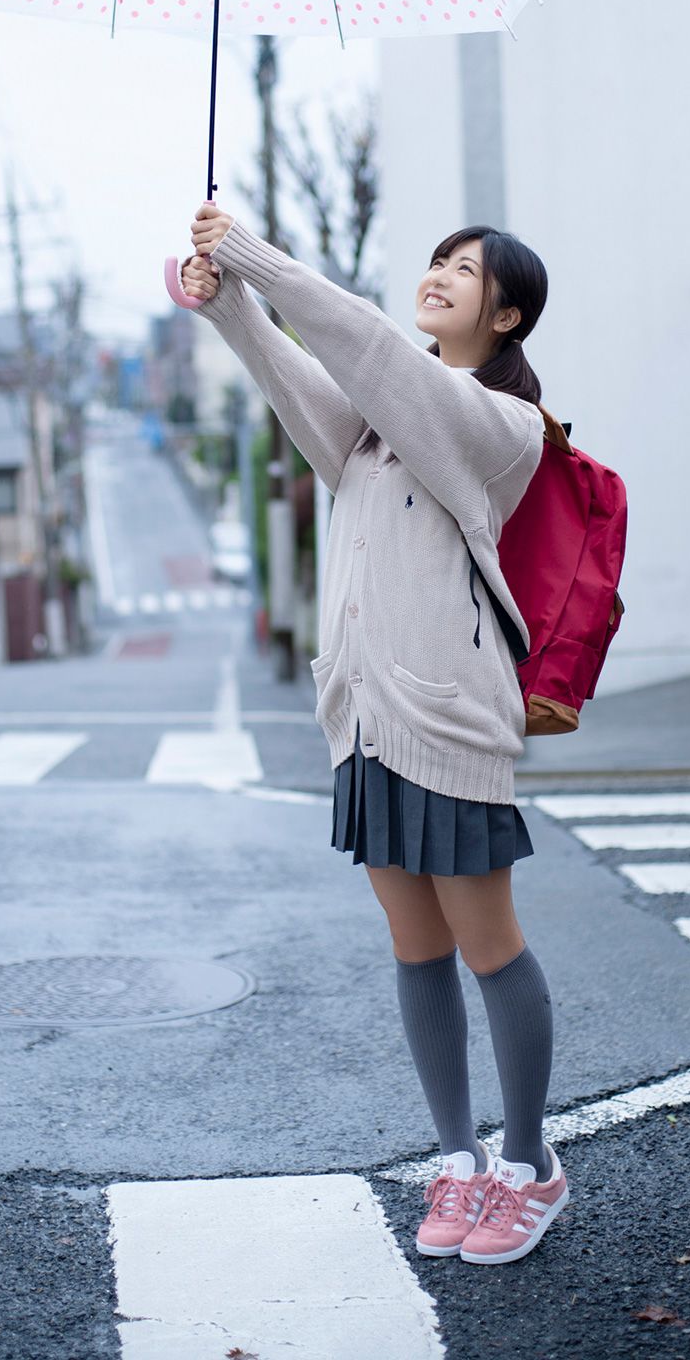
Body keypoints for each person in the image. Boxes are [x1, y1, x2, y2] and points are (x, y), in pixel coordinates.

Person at [181, 198, 568, 1267]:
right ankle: (458, 1159)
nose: (440, 273)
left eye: (467, 270)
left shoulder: (500, 429)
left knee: (490, 948)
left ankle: (530, 1164)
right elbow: (311, 386)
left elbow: (367, 348)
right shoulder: (376, 429)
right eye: (437, 259)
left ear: (509, 316)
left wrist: (253, 255)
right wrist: (230, 312)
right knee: (416, 951)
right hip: (363, 719)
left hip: (444, 715)